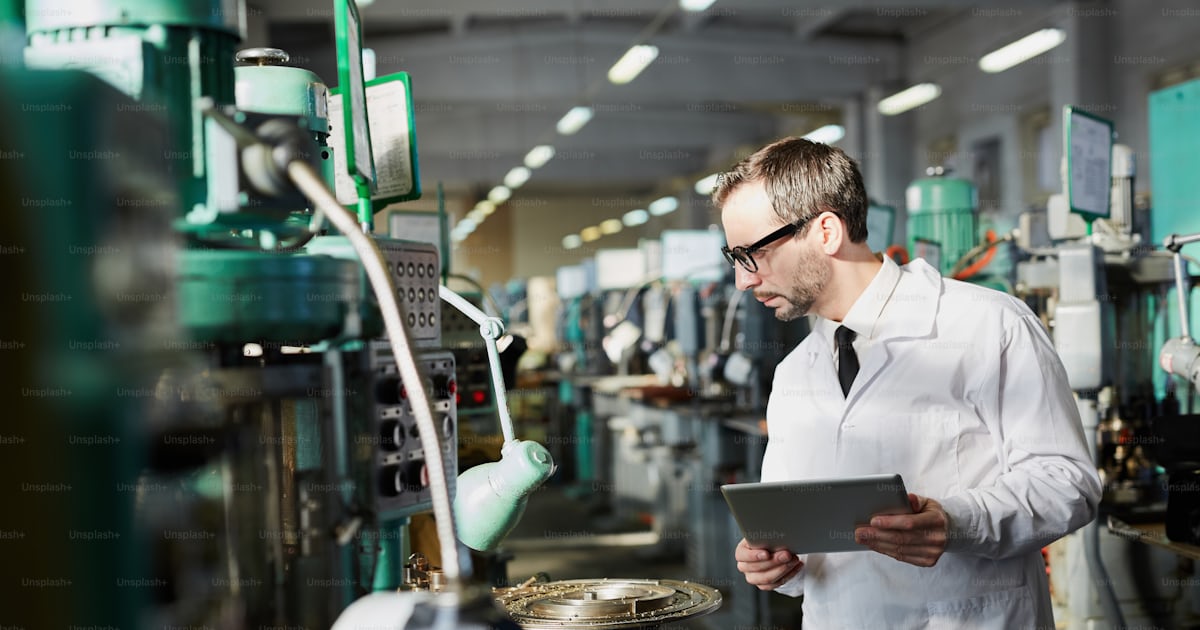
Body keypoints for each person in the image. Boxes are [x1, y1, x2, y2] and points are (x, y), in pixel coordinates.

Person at [714, 137, 1102, 628]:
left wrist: (958, 522)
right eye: (736, 258)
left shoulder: (988, 325)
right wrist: (772, 564)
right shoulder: (795, 372)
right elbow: (792, 535)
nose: (743, 282)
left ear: (826, 231)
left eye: (754, 253)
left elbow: (1068, 483)